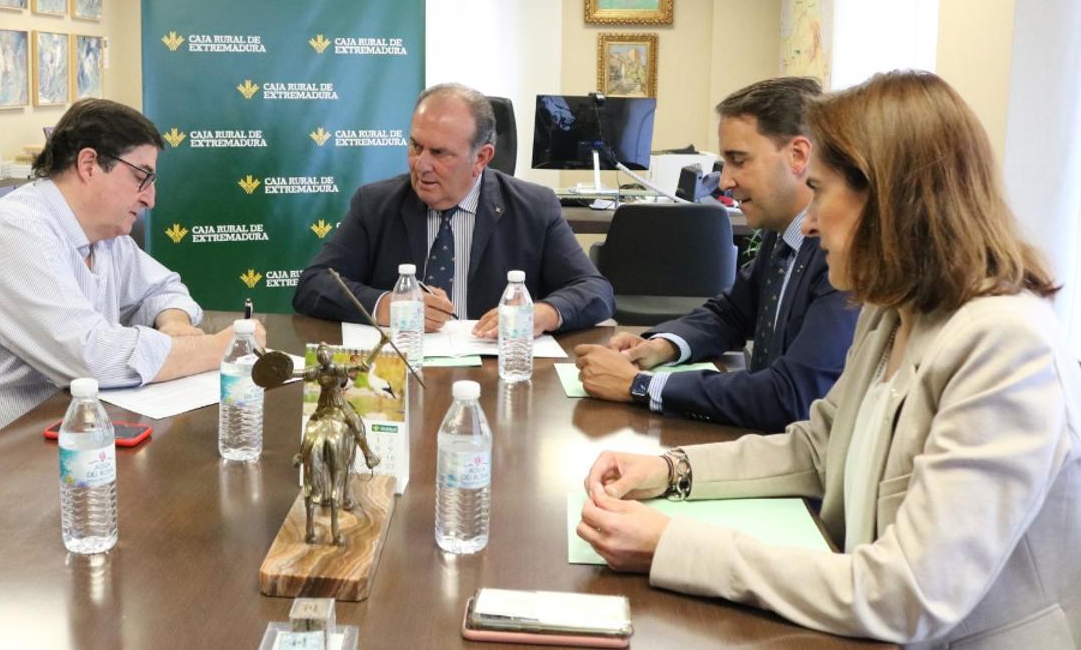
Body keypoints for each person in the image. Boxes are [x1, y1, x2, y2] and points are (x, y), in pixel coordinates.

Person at [577, 71, 1081, 647]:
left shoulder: (1005, 345)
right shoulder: (891, 313)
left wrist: (674, 545)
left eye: (819, 191)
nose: (809, 222)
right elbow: (818, 448)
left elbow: (909, 593)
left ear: (888, 199)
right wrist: (670, 469)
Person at [0, 99, 265, 461]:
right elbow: (92, 357)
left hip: (32, 443)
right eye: (142, 177)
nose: (151, 198)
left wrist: (175, 324)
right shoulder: (11, 230)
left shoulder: (105, 236)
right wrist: (220, 350)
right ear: (89, 164)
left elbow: (162, 289)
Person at [576, 77, 858, 432]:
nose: (724, 182)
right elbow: (732, 313)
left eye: (739, 161)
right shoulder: (781, 234)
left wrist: (640, 386)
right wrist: (663, 346)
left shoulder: (843, 257)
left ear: (798, 155)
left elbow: (793, 396)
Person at [293, 83, 614, 337]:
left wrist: (542, 313)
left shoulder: (533, 207)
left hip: (495, 374)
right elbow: (313, 285)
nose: (422, 165)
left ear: (482, 158)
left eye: (440, 153)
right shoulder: (376, 204)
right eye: (416, 146)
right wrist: (386, 306)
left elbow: (595, 291)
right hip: (401, 371)